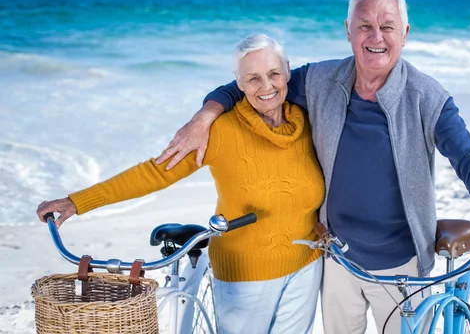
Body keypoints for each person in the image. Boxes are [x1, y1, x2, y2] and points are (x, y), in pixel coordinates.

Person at [156, 0, 470, 334]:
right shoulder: (320, 80)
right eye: (364, 26)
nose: (376, 37)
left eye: (387, 27)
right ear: (348, 31)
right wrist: (203, 119)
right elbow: (250, 83)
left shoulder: (427, 97)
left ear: (404, 34)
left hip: (401, 265)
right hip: (337, 258)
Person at [36, 34, 325, 334]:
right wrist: (78, 201)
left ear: (288, 71)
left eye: (274, 74)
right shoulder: (219, 131)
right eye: (253, 78)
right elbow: (155, 172)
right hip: (246, 275)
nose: (266, 86)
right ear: (237, 84)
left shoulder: (306, 120)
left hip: (307, 266)